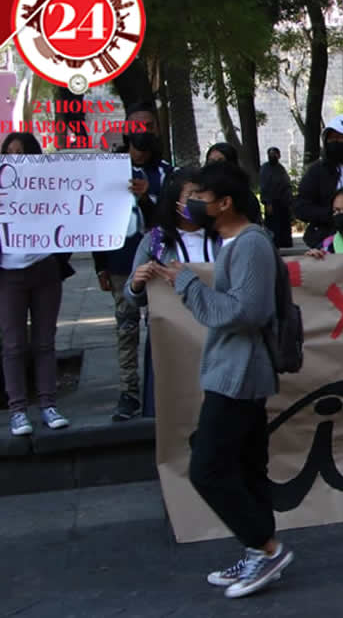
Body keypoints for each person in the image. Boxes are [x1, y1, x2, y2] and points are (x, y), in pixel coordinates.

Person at [149, 161, 293, 598]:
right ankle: (257, 550)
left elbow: (245, 313)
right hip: (235, 368)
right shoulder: (236, 242)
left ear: (225, 202)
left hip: (239, 371)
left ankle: (267, 549)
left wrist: (189, 285)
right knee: (247, 467)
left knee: (208, 468)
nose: (192, 204)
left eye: (201, 197)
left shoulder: (249, 244)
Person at [96, 101, 173, 421]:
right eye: (134, 129)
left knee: (161, 326)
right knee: (126, 328)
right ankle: (129, 392)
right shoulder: (109, 169)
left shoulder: (168, 173)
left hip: (159, 263)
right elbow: (96, 217)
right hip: (120, 260)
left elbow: (170, 221)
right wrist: (100, 264)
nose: (140, 137)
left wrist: (146, 198)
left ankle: (163, 388)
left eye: (147, 128)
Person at [125, 168, 223, 418]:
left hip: (218, 338)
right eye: (192, 195)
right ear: (174, 200)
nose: (198, 202)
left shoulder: (223, 236)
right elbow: (132, 295)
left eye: (203, 196)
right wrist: (137, 284)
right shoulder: (155, 241)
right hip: (172, 340)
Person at [0, 133, 70, 436]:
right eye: (10, 153)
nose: (17, 158)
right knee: (13, 345)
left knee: (45, 341)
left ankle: (48, 405)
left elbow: (73, 217)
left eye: (23, 152)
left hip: (45, 271)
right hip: (8, 275)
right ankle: (18, 410)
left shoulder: (49, 189)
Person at [295, 115, 343, 249]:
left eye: (342, 137)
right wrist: (335, 215)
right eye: (332, 138)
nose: (336, 141)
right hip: (327, 244)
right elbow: (300, 207)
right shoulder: (317, 172)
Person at [259, 147, 294, 249]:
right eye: (270, 154)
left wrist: (289, 200)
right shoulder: (265, 168)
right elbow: (264, 186)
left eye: (275, 154)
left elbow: (286, 184)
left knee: (284, 224)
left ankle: (285, 242)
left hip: (283, 202)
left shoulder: (280, 168)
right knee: (273, 225)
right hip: (272, 202)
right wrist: (267, 202)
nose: (273, 156)